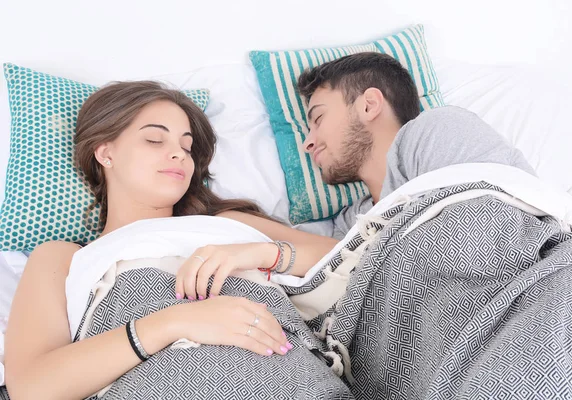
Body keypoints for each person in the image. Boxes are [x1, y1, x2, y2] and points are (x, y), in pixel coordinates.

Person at [3, 81, 349, 400]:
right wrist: (174, 322)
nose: (180, 155)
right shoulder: (63, 256)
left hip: (294, 379)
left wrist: (260, 253)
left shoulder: (228, 225)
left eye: (187, 146)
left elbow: (356, 258)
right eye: (155, 140)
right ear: (105, 153)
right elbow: (33, 387)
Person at [296, 52, 536, 240]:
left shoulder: (438, 129)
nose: (308, 143)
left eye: (318, 119)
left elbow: (512, 223)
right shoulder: (352, 222)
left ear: (369, 105)